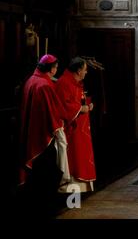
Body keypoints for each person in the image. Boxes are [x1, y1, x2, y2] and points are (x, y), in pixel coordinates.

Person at [18, 54, 69, 217]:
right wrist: (57, 127)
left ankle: (35, 206)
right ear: (50, 68)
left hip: (31, 133)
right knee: (49, 173)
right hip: (42, 137)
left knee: (37, 174)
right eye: (55, 67)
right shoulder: (44, 85)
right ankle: (46, 207)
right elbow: (51, 113)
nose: (56, 70)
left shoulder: (31, 80)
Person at [55, 57, 96, 192]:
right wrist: (81, 108)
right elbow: (64, 105)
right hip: (70, 129)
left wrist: (87, 105)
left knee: (81, 157)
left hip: (81, 128)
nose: (86, 72)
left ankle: (80, 190)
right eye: (85, 70)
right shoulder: (64, 82)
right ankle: (72, 194)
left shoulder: (75, 82)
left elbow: (77, 99)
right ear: (78, 70)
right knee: (74, 159)